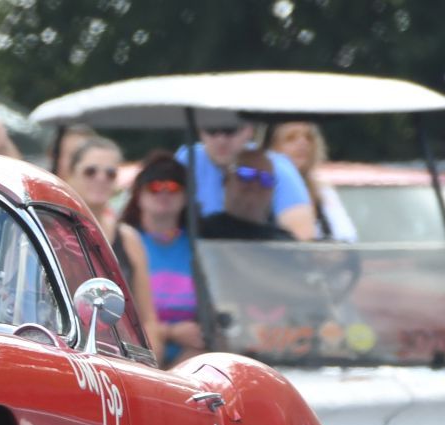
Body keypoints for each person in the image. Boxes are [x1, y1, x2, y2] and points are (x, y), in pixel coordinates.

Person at [62, 136, 162, 359]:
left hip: (120, 358)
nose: (101, 179)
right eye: (90, 171)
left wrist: (148, 367)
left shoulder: (128, 239)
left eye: (110, 173)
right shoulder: (55, 231)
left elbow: (147, 320)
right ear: (70, 173)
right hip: (67, 351)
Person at [120, 151, 206, 366]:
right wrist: (170, 332)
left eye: (174, 187)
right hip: (134, 356)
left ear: (186, 196)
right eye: (155, 187)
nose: (164, 193)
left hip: (191, 361)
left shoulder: (199, 249)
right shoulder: (124, 243)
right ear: (139, 195)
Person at [177, 121, 314, 240]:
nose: (221, 139)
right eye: (211, 129)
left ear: (249, 130)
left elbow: (302, 241)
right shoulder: (187, 160)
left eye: (230, 129)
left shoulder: (275, 166)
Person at [265, 120, 358, 242]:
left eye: (308, 137)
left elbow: (347, 237)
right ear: (271, 147)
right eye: (290, 138)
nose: (302, 143)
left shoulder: (323, 191)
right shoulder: (260, 189)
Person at [201, 150, 298, 242]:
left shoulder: (285, 244)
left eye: (266, 179)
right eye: (246, 174)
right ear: (226, 181)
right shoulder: (199, 234)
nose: (255, 184)